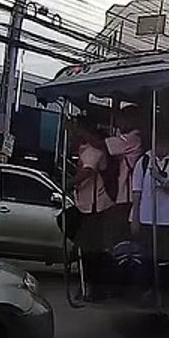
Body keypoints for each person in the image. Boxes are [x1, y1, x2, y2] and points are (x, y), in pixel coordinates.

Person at [130, 132, 169, 298]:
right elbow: (136, 192)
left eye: (165, 144)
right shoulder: (143, 162)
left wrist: (160, 179)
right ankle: (147, 290)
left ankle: (164, 290)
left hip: (167, 219)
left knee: (165, 257)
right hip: (146, 218)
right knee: (146, 257)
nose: (162, 147)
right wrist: (135, 218)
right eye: (159, 143)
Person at [69, 121, 114, 301]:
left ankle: (96, 287)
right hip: (85, 204)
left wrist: (69, 183)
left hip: (95, 206)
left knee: (92, 251)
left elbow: (87, 172)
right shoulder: (84, 151)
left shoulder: (92, 151)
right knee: (88, 249)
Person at [102, 106, 145, 244]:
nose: (119, 123)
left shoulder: (133, 138)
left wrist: (80, 131)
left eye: (121, 119)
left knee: (122, 236)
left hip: (127, 195)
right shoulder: (134, 138)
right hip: (124, 194)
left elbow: (103, 145)